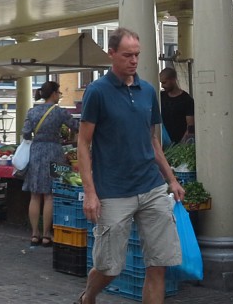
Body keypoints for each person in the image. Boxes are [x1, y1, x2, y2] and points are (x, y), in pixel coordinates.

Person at [76, 27, 184, 304]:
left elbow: (153, 142)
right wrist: (90, 192)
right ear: (112, 54)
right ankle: (88, 296)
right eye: (127, 55)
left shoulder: (148, 91)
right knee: (110, 267)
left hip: (152, 187)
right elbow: (83, 144)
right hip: (113, 191)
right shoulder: (97, 92)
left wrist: (171, 180)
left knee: (158, 263)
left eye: (136, 55)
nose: (133, 60)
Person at [21, 80, 78, 247]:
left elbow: (25, 134)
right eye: (59, 92)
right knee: (50, 195)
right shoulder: (59, 112)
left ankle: (34, 234)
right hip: (55, 153)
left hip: (36, 153)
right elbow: (76, 126)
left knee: (34, 194)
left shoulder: (32, 111)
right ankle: (46, 235)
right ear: (53, 93)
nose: (59, 95)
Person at [158, 67, 194, 145]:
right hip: (163, 143)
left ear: (173, 80)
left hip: (180, 144)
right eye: (161, 83)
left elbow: (190, 126)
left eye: (164, 82)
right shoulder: (161, 96)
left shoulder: (187, 100)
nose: (162, 86)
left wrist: (182, 145)